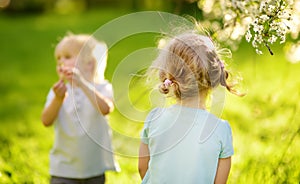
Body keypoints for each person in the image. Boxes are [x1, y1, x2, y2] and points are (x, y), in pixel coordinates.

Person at [138, 31, 243, 184]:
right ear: (213, 77)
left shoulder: (154, 118)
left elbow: (143, 168)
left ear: (169, 75)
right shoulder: (220, 129)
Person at [41, 33, 119, 184]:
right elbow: (46, 121)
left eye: (67, 57)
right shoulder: (58, 91)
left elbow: (106, 108)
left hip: (94, 167)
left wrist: (82, 83)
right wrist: (58, 99)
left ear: (89, 63)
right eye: (58, 58)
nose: (61, 62)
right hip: (63, 168)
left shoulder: (102, 88)